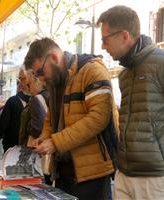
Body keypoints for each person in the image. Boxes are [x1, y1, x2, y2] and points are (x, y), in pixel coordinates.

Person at [97, 5, 164, 200]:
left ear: (124, 36)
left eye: (105, 39)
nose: (103, 46)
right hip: (126, 175)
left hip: (161, 179)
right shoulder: (125, 75)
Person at [23, 38, 119, 200]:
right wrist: (44, 138)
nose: (40, 78)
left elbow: (98, 118)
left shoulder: (92, 70)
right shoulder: (56, 81)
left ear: (53, 58)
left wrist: (55, 142)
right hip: (63, 172)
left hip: (92, 174)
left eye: (39, 72)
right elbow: (52, 117)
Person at [0, 68, 31, 152]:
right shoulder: (40, 98)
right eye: (19, 79)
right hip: (31, 148)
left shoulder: (12, 101)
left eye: (21, 78)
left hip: (12, 147)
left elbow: (2, 123)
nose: (20, 81)